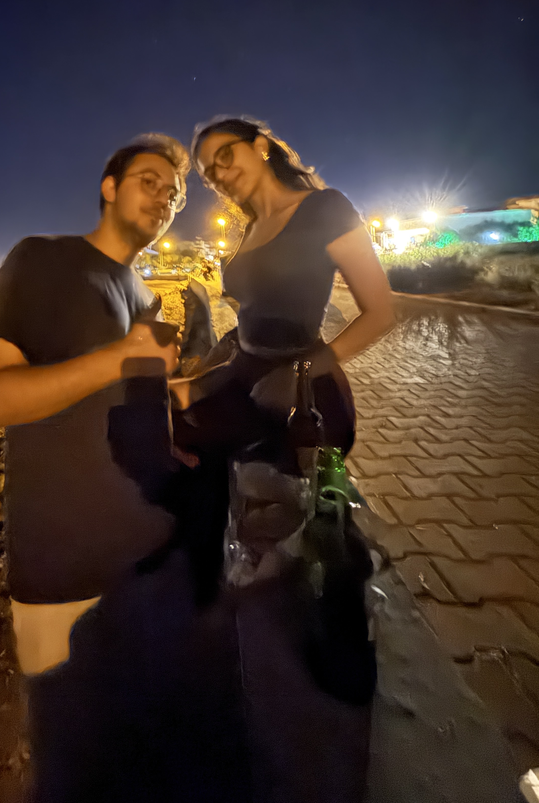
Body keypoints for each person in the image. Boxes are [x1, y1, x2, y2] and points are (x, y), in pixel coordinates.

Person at [0, 134, 248, 803]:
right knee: (75, 771)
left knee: (150, 759)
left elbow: (129, 403)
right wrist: (121, 356)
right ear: (109, 187)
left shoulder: (142, 293)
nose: (164, 198)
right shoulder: (42, 259)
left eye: (174, 193)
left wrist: (198, 399)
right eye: (149, 180)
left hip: (154, 563)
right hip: (68, 579)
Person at [171, 114, 396, 803]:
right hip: (247, 380)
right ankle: (223, 614)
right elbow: (249, 329)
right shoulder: (247, 227)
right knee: (178, 445)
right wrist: (199, 379)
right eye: (208, 169)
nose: (218, 173)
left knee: (321, 517)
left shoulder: (324, 209)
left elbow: (381, 312)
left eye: (225, 155)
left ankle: (341, 648)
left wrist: (303, 369)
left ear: (262, 146)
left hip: (305, 397)